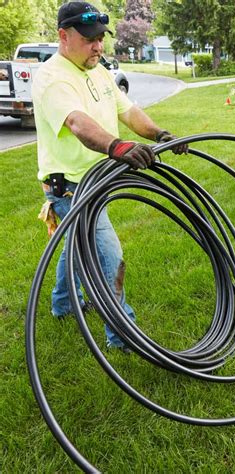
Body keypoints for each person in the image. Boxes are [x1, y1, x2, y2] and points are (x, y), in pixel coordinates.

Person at [32, 1, 188, 352]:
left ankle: (64, 304)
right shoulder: (52, 77)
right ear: (63, 36)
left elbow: (128, 111)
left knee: (72, 244)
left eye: (101, 38)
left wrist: (159, 134)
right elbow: (76, 122)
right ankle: (122, 336)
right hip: (72, 187)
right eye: (90, 39)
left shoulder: (98, 71)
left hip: (94, 180)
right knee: (108, 256)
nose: (98, 46)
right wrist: (117, 147)